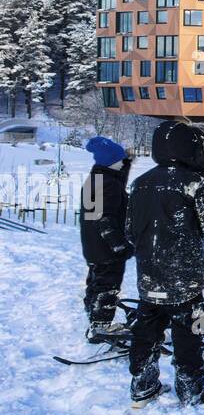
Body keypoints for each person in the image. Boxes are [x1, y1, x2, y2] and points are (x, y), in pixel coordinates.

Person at [125, 120, 204, 405]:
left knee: (145, 331)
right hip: (187, 279)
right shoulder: (194, 183)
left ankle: (142, 384)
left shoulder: (140, 183)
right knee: (190, 333)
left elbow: (130, 230)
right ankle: (190, 387)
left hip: (149, 275)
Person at [79, 136, 133, 333]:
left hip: (93, 246)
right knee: (107, 286)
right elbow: (105, 218)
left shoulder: (93, 180)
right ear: (110, 162)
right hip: (107, 248)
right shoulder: (109, 184)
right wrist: (119, 244)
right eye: (119, 160)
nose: (122, 163)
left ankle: (93, 314)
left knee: (95, 281)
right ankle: (101, 326)